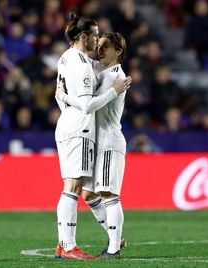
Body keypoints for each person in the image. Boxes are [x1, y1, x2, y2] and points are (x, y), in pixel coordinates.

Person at [54, 14, 131, 260]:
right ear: (84, 37)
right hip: (84, 134)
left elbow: (78, 99)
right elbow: (84, 102)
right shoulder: (91, 67)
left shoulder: (114, 76)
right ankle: (77, 243)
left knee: (104, 194)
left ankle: (114, 246)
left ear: (118, 52)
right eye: (97, 41)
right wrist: (65, 98)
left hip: (107, 141)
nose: (98, 46)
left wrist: (64, 97)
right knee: (82, 191)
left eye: (104, 45)